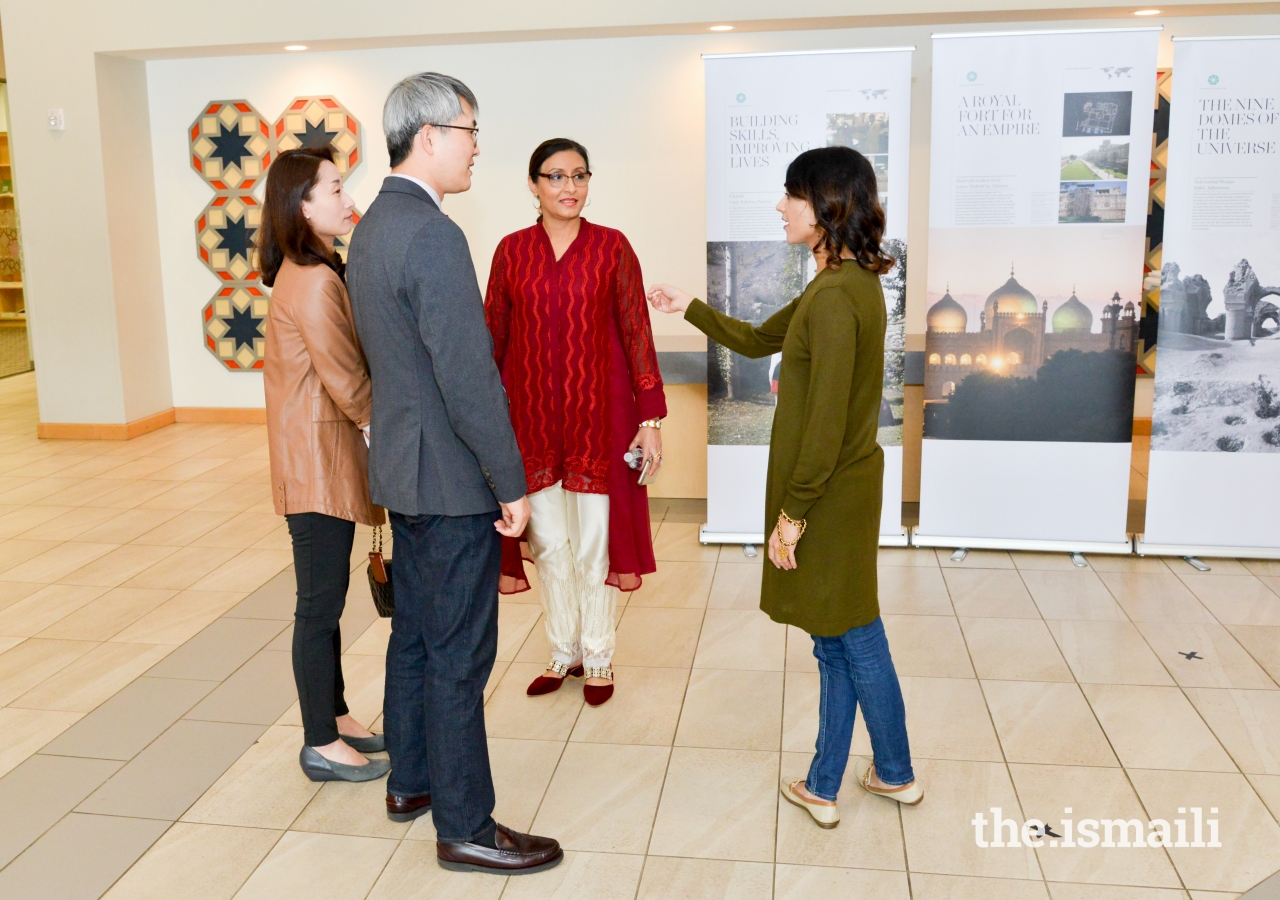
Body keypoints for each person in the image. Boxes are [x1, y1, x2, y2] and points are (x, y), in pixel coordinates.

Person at [648, 146, 922, 828]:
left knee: (848, 638)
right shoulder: (847, 286)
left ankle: (836, 783)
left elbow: (824, 422)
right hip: (845, 486)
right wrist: (692, 308)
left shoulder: (835, 298)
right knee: (846, 632)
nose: (779, 206)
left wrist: (792, 515)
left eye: (792, 195)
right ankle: (883, 773)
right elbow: (755, 340)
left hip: (827, 492)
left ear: (828, 206)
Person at [346, 72, 562, 875]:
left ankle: (412, 779)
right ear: (429, 135)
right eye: (471, 129)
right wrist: (510, 482)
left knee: (417, 635)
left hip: (403, 470)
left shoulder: (372, 227)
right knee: (459, 654)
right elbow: (468, 376)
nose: (477, 146)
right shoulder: (433, 234)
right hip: (448, 479)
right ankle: (467, 825)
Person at [485, 138, 667, 708]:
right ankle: (562, 652)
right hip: (531, 425)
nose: (570, 187)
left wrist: (651, 416)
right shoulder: (511, 252)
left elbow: (637, 331)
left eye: (580, 175)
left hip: (600, 424)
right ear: (533, 185)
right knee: (549, 544)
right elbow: (494, 339)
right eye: (556, 176)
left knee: (594, 546)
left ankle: (599, 656)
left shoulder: (612, 248)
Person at [260, 146, 389, 784]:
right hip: (315, 462)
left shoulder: (314, 265)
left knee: (327, 601)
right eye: (335, 189)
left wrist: (360, 232)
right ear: (302, 206)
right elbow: (346, 375)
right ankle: (318, 741)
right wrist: (381, 432)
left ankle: (335, 716)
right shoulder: (310, 280)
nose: (347, 198)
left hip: (322, 454)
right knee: (318, 604)